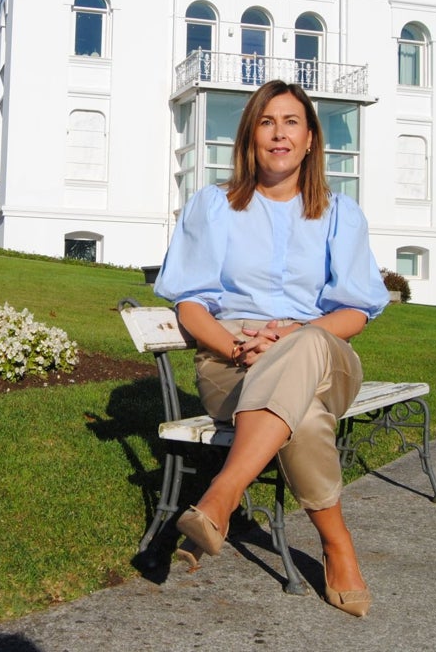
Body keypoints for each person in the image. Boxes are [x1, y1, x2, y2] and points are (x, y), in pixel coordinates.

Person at [153, 79, 390, 617]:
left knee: (305, 344)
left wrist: (286, 336)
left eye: (291, 123)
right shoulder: (213, 206)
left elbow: (355, 311)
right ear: (249, 136)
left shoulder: (339, 213)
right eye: (266, 122)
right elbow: (190, 306)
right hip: (229, 359)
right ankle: (337, 546)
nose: (278, 134)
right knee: (301, 420)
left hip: (322, 353)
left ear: (310, 140)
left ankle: (221, 496)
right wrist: (239, 346)